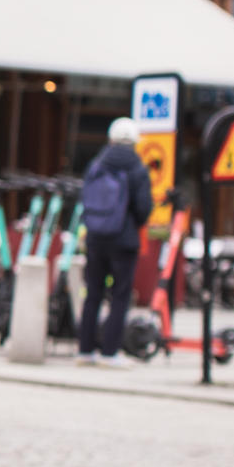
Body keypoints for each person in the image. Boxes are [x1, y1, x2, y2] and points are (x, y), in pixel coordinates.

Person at [75, 118, 155, 368]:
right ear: (134, 141)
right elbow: (144, 208)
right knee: (120, 296)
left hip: (96, 237)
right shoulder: (137, 168)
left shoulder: (96, 164)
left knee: (92, 294)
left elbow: (84, 197)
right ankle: (110, 352)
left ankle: (84, 351)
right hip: (124, 239)